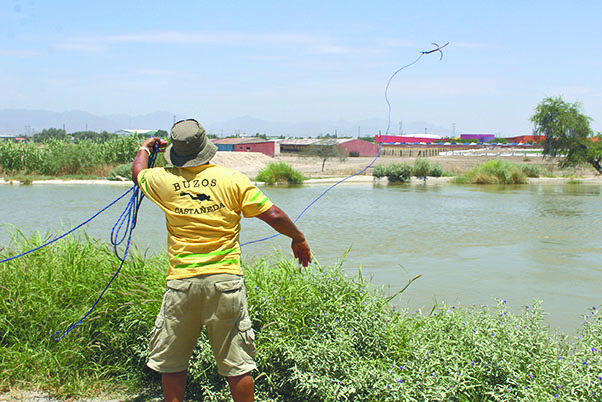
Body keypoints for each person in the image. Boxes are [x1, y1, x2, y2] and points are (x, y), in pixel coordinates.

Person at [132, 119, 311, 402]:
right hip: (226, 282)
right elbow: (273, 214)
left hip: (182, 283)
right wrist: (298, 238)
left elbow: (138, 172)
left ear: (175, 152)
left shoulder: (163, 180)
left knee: (173, 363)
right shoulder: (232, 179)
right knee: (237, 365)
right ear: (205, 147)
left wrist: (144, 148)